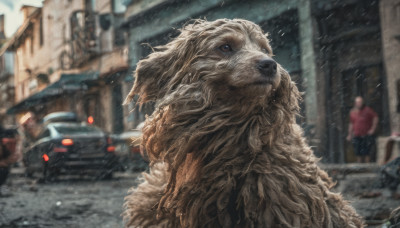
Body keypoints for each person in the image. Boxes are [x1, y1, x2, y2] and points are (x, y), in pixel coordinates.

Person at [346, 96, 379, 163]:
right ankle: (360, 168)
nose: (359, 104)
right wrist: (349, 134)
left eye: (360, 102)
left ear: (362, 102)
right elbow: (351, 123)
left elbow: (375, 117)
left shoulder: (367, 110)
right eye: (357, 102)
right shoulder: (352, 112)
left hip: (366, 134)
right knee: (357, 152)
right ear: (355, 103)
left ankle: (367, 167)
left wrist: (373, 129)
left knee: (367, 151)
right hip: (356, 135)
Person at [0, 125, 20, 197]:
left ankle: (2, 186)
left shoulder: (6, 150)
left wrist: (8, 161)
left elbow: (10, 159)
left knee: (4, 169)